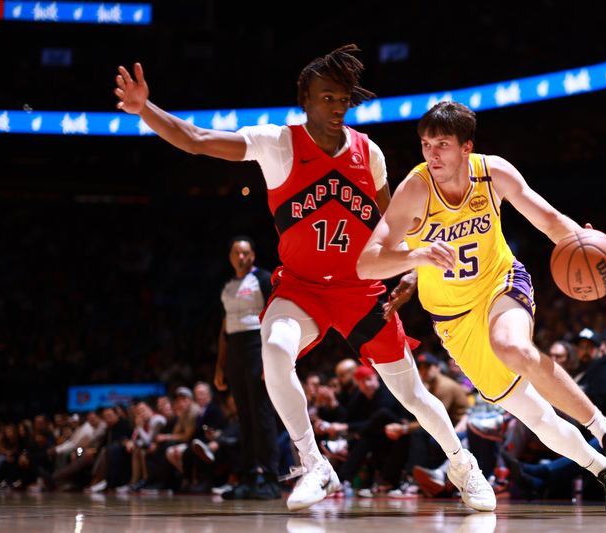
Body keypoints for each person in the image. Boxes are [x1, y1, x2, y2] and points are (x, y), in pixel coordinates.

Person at [114, 45, 494, 512]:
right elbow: (195, 138)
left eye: (342, 99)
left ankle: (463, 465)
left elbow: (393, 223)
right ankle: (314, 464)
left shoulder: (368, 152)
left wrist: (412, 266)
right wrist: (144, 109)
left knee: (412, 393)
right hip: (302, 288)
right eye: (326, 97)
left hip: (360, 288)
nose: (336, 107)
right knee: (273, 350)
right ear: (306, 100)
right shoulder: (277, 143)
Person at [357, 101, 606, 512]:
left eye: (442, 144)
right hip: (454, 320)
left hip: (501, 283)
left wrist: (592, 243)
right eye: (426, 144)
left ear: (467, 147)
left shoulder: (492, 171)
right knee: (535, 415)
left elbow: (549, 219)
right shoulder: (415, 188)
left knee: (513, 347)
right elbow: (366, 262)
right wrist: (418, 257)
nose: (431, 154)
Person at [214, 237, 280, 500]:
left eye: (245, 253)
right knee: (244, 416)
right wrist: (220, 366)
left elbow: (274, 315)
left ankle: (271, 479)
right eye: (236, 253)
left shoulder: (263, 279)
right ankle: (248, 478)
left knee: (261, 413)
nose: (241, 257)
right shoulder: (228, 286)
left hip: (257, 346)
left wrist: (270, 357)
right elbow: (224, 328)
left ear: (253, 255)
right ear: (231, 257)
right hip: (236, 351)